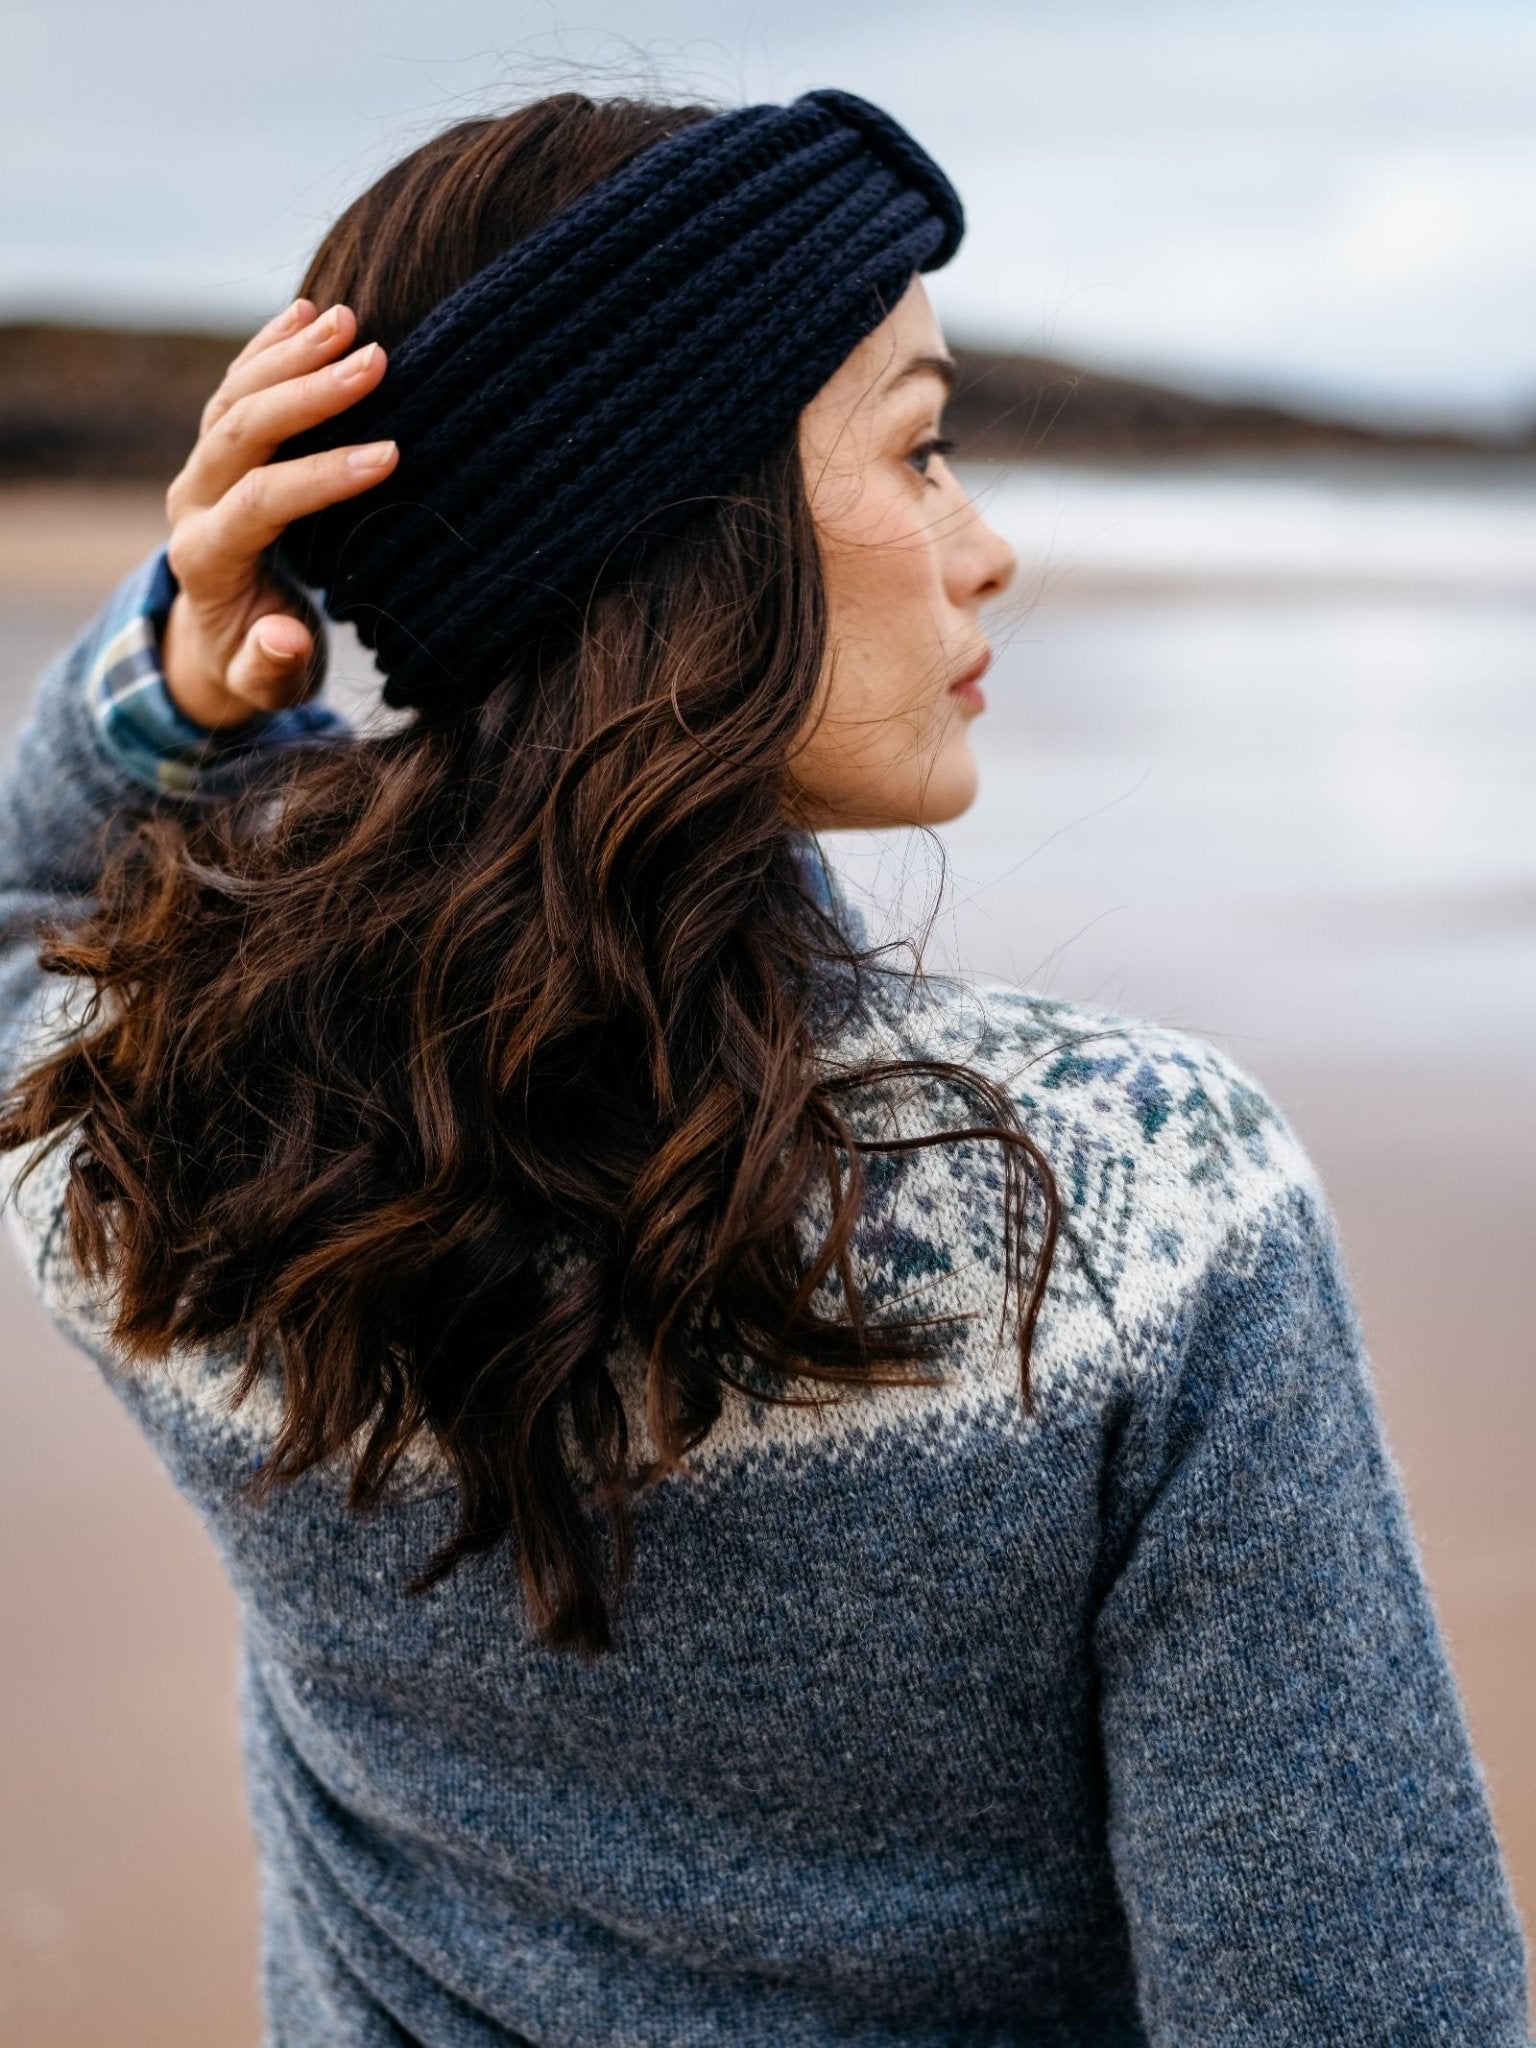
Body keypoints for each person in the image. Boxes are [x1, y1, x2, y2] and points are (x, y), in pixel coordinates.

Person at [0, 84, 1528, 2048]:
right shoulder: (1139, 1218)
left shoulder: (168, 1168)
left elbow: (40, 898)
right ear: (679, 535)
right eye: (924, 446)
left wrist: (187, 670)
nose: (985, 552)